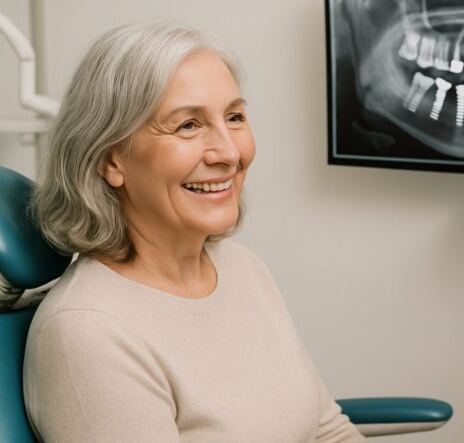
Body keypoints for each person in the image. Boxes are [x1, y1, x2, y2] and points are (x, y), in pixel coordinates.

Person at [23, 22, 364, 443]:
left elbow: (327, 429)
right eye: (188, 125)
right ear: (111, 160)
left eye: (235, 117)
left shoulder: (242, 267)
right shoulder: (88, 332)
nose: (230, 153)